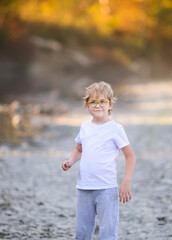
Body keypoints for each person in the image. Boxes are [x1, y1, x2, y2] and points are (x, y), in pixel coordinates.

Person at [62, 81, 136, 240]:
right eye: (93, 102)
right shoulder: (85, 127)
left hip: (106, 188)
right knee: (82, 233)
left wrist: (126, 181)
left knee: (108, 233)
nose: (97, 105)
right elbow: (78, 150)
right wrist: (70, 161)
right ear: (86, 105)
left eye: (102, 101)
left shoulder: (116, 129)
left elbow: (130, 156)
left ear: (110, 104)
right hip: (84, 188)